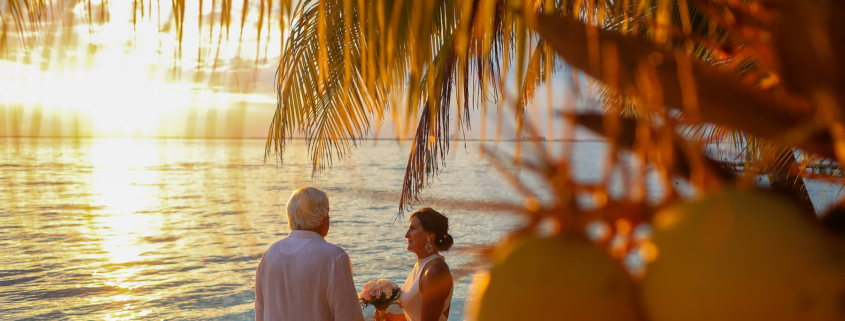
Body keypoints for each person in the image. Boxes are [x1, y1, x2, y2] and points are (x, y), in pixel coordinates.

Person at [255, 187, 365, 321]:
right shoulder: (334, 256)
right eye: (328, 211)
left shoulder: (271, 253)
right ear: (322, 216)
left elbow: (260, 312)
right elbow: (349, 316)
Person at [379, 208, 454, 321]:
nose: (406, 235)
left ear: (429, 234)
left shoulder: (434, 271)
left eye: (412, 229)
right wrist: (393, 319)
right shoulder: (422, 265)